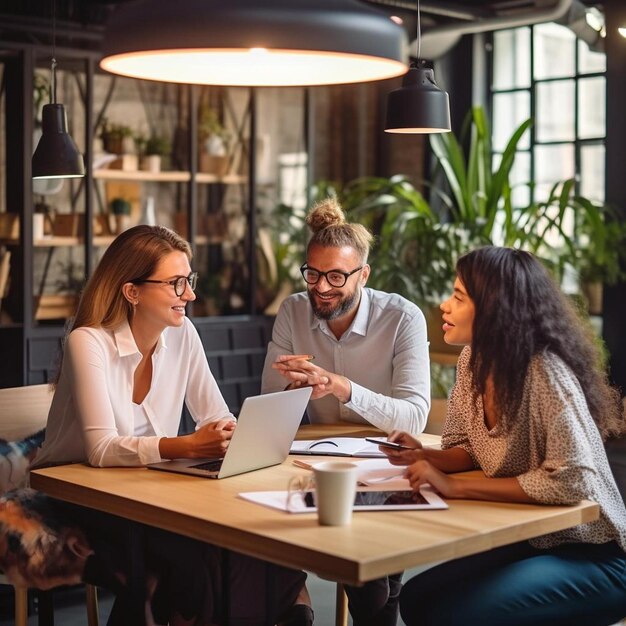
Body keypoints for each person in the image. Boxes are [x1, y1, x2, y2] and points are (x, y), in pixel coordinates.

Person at [32, 225, 311, 626]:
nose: (191, 295)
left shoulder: (182, 335)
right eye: (176, 283)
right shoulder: (88, 342)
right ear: (132, 291)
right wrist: (188, 447)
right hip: (79, 495)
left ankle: (276, 607)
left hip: (149, 488)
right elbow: (102, 449)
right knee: (195, 555)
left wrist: (234, 435)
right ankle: (287, 606)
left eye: (189, 280)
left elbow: (215, 414)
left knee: (245, 538)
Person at [381, 246, 626, 626]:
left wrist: (452, 486)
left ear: (495, 309)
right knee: (417, 599)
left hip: (596, 553)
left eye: (459, 297)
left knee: (458, 616)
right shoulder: (472, 360)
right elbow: (467, 447)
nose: (444, 306)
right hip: (536, 540)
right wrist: (426, 458)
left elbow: (573, 480)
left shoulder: (545, 371)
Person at [261, 199, 431, 626]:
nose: (321, 287)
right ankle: (298, 604)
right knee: (265, 538)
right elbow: (268, 402)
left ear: (364, 274)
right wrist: (290, 385)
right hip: (314, 461)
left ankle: (376, 599)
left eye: (336, 276)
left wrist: (342, 387)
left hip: (385, 464)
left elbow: (414, 418)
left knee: (369, 575)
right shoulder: (292, 310)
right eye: (313, 273)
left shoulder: (402, 318)